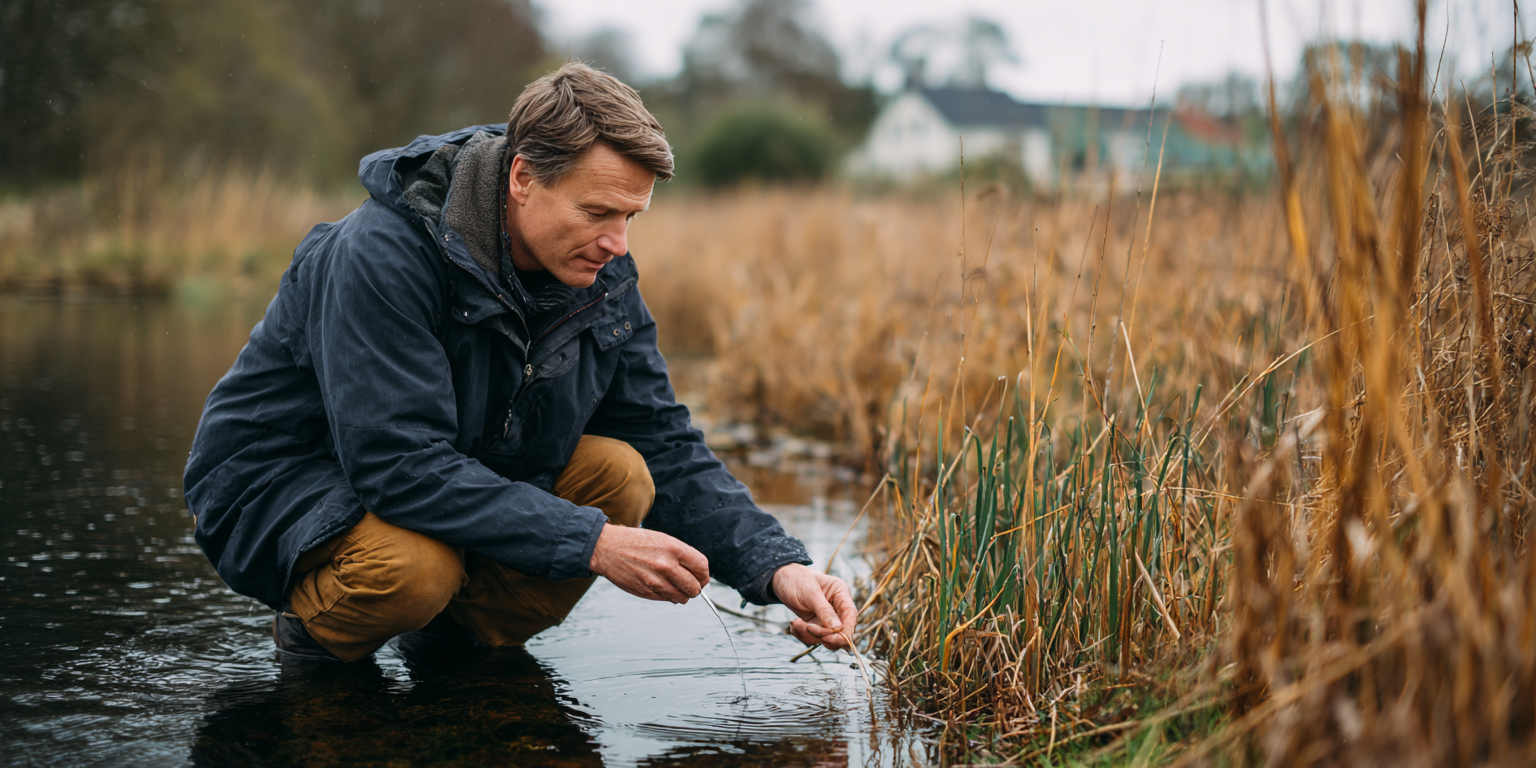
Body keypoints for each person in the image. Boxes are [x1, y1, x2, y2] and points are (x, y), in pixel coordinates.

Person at [183, 62, 858, 663]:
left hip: (453, 464)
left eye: (632, 217)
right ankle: (317, 640)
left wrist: (777, 569)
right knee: (414, 569)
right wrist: (595, 544)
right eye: (598, 212)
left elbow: (668, 443)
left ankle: (454, 646)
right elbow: (397, 464)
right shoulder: (380, 255)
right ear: (523, 179)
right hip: (286, 484)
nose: (617, 244)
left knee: (624, 475)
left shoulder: (604, 275)